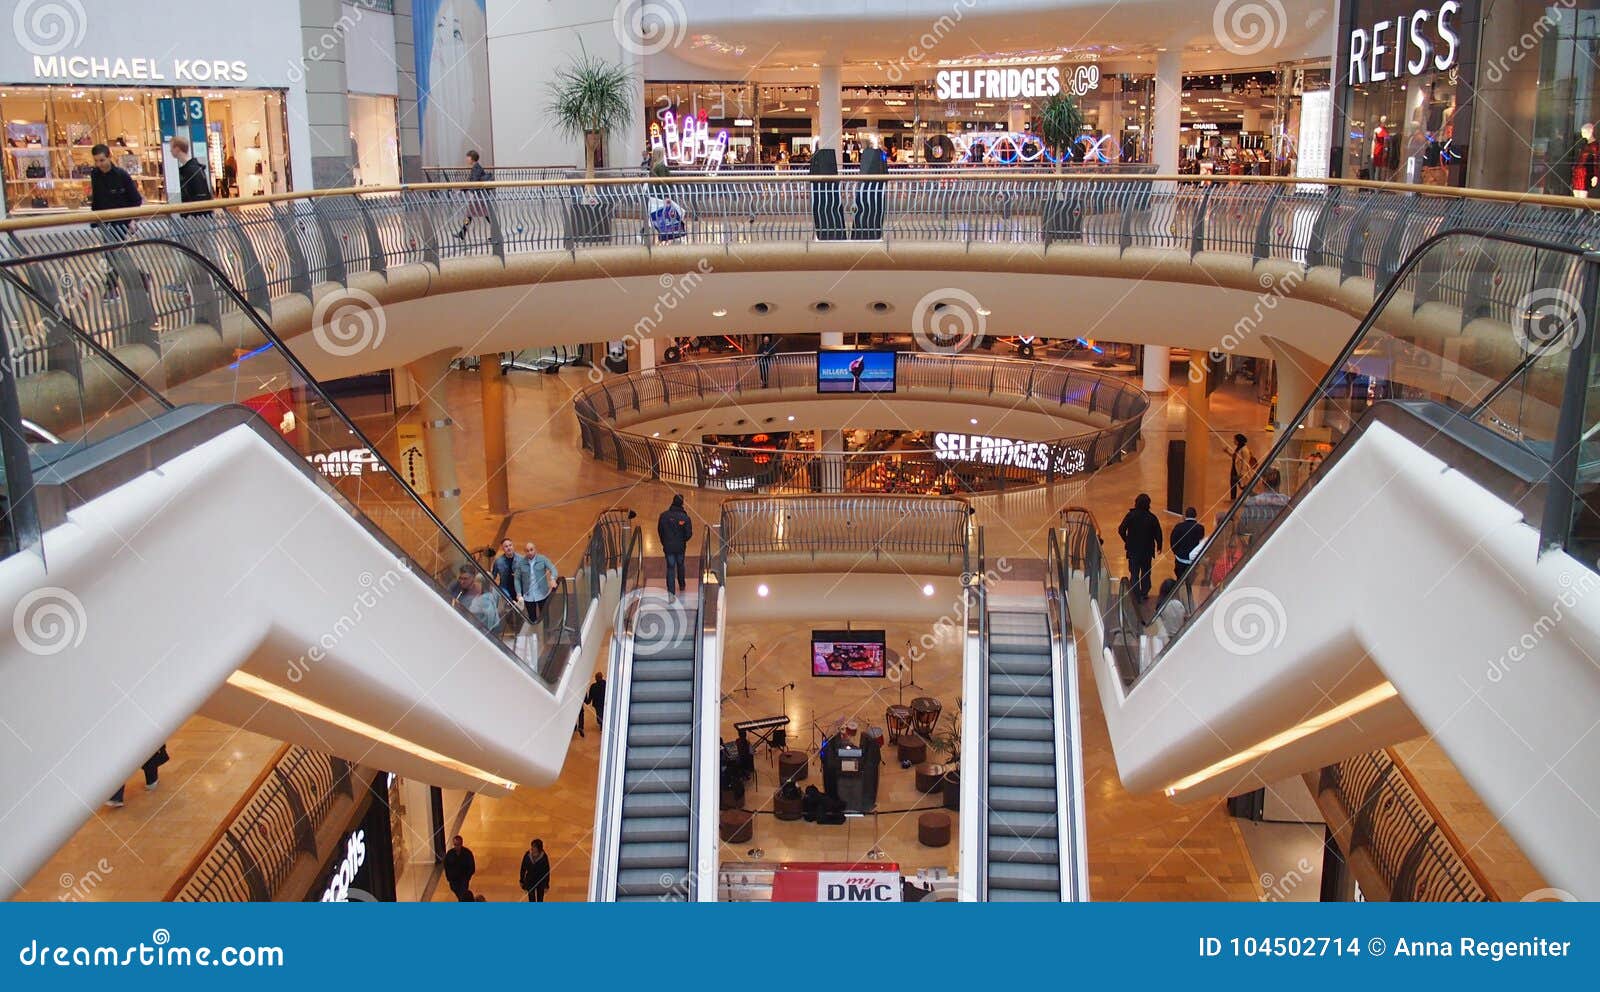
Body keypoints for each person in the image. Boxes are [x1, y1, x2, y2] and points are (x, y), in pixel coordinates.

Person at [89, 143, 144, 301]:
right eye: (96, 161)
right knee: (114, 254)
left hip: (121, 221)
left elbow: (136, 199)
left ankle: (111, 288)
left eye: (102, 160)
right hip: (104, 221)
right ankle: (140, 278)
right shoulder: (95, 175)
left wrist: (133, 220)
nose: (99, 164)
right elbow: (97, 198)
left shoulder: (122, 175)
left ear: (109, 157)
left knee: (112, 254)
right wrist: (95, 218)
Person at [1117, 493, 1163, 602]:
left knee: (1134, 573)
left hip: (1133, 550)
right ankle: (1144, 593)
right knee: (1146, 572)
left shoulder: (1131, 515)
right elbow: (1158, 533)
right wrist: (1159, 545)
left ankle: (1135, 595)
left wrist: (1127, 540)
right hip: (1147, 551)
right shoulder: (1152, 518)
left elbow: (1121, 529)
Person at [657, 494, 693, 599]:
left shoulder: (663, 516)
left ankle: (671, 594)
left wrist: (664, 542)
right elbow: (689, 533)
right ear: (682, 503)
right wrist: (683, 540)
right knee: (680, 564)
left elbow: (660, 531)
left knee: (670, 567)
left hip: (668, 546)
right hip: (680, 546)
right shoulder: (685, 517)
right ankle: (682, 585)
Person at [167, 136, 213, 211]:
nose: (170, 150)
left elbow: (200, 195)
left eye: (171, 148)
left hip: (196, 216)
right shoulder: (193, 168)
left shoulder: (191, 170)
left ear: (177, 149)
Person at [453, 149, 489, 240]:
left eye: (468, 158)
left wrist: (470, 192)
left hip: (478, 196)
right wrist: (462, 190)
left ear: (472, 158)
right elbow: (470, 182)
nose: (466, 159)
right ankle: (462, 232)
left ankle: (497, 232)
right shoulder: (475, 167)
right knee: (471, 215)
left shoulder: (476, 168)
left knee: (483, 215)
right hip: (477, 196)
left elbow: (474, 181)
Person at [1170, 506, 1205, 597]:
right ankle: (1189, 596)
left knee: (1179, 580)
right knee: (1190, 580)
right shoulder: (1200, 528)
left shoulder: (1178, 527)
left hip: (1180, 558)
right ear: (1195, 515)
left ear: (1185, 515)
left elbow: (1173, 541)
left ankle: (1178, 596)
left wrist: (1176, 552)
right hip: (1193, 561)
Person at [521, 541, 558, 623]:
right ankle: (535, 633)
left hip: (542, 593)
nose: (530, 552)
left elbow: (553, 569)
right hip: (528, 595)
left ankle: (546, 632)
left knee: (545, 616)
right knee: (532, 618)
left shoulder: (543, 559)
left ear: (535, 550)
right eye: (527, 551)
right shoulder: (522, 562)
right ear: (525, 552)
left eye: (531, 550)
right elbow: (517, 578)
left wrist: (552, 578)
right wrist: (518, 593)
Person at [1151, 577, 1188, 648]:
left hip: (1163, 638)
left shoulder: (1160, 606)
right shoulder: (1178, 604)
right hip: (1177, 636)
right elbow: (1182, 620)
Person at [442, 834, 476, 902]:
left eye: (458, 844)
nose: (456, 846)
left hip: (464, 879)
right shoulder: (450, 854)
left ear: (461, 844)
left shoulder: (467, 853)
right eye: (455, 844)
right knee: (459, 894)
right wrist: (449, 878)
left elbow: (472, 866)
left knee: (462, 895)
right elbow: (446, 866)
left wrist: (467, 877)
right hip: (454, 880)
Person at [1229, 433, 1257, 501]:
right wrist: (1227, 452)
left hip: (1239, 470)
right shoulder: (1238, 448)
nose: (1234, 441)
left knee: (1242, 485)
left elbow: (1245, 462)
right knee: (1233, 483)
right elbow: (1235, 457)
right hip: (1235, 468)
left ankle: (1253, 495)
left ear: (1238, 441)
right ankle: (1233, 498)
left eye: (1235, 440)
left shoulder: (1244, 450)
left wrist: (1242, 473)